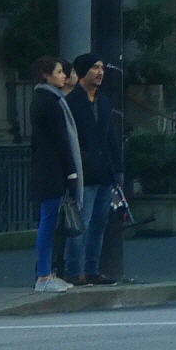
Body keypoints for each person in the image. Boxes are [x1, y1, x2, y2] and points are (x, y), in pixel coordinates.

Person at [63, 53, 121, 286]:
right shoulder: (70, 102)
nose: (100, 72)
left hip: (105, 172)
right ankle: (74, 271)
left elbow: (111, 137)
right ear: (83, 71)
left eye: (102, 68)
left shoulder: (104, 101)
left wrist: (118, 169)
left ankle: (92, 270)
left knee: (98, 225)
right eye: (95, 68)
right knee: (81, 225)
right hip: (83, 174)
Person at [29, 56, 80, 293]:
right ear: (46, 75)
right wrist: (71, 173)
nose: (64, 76)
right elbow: (62, 141)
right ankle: (43, 276)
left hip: (46, 168)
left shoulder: (42, 99)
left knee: (48, 222)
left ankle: (46, 274)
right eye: (59, 72)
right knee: (48, 223)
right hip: (53, 171)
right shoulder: (51, 102)